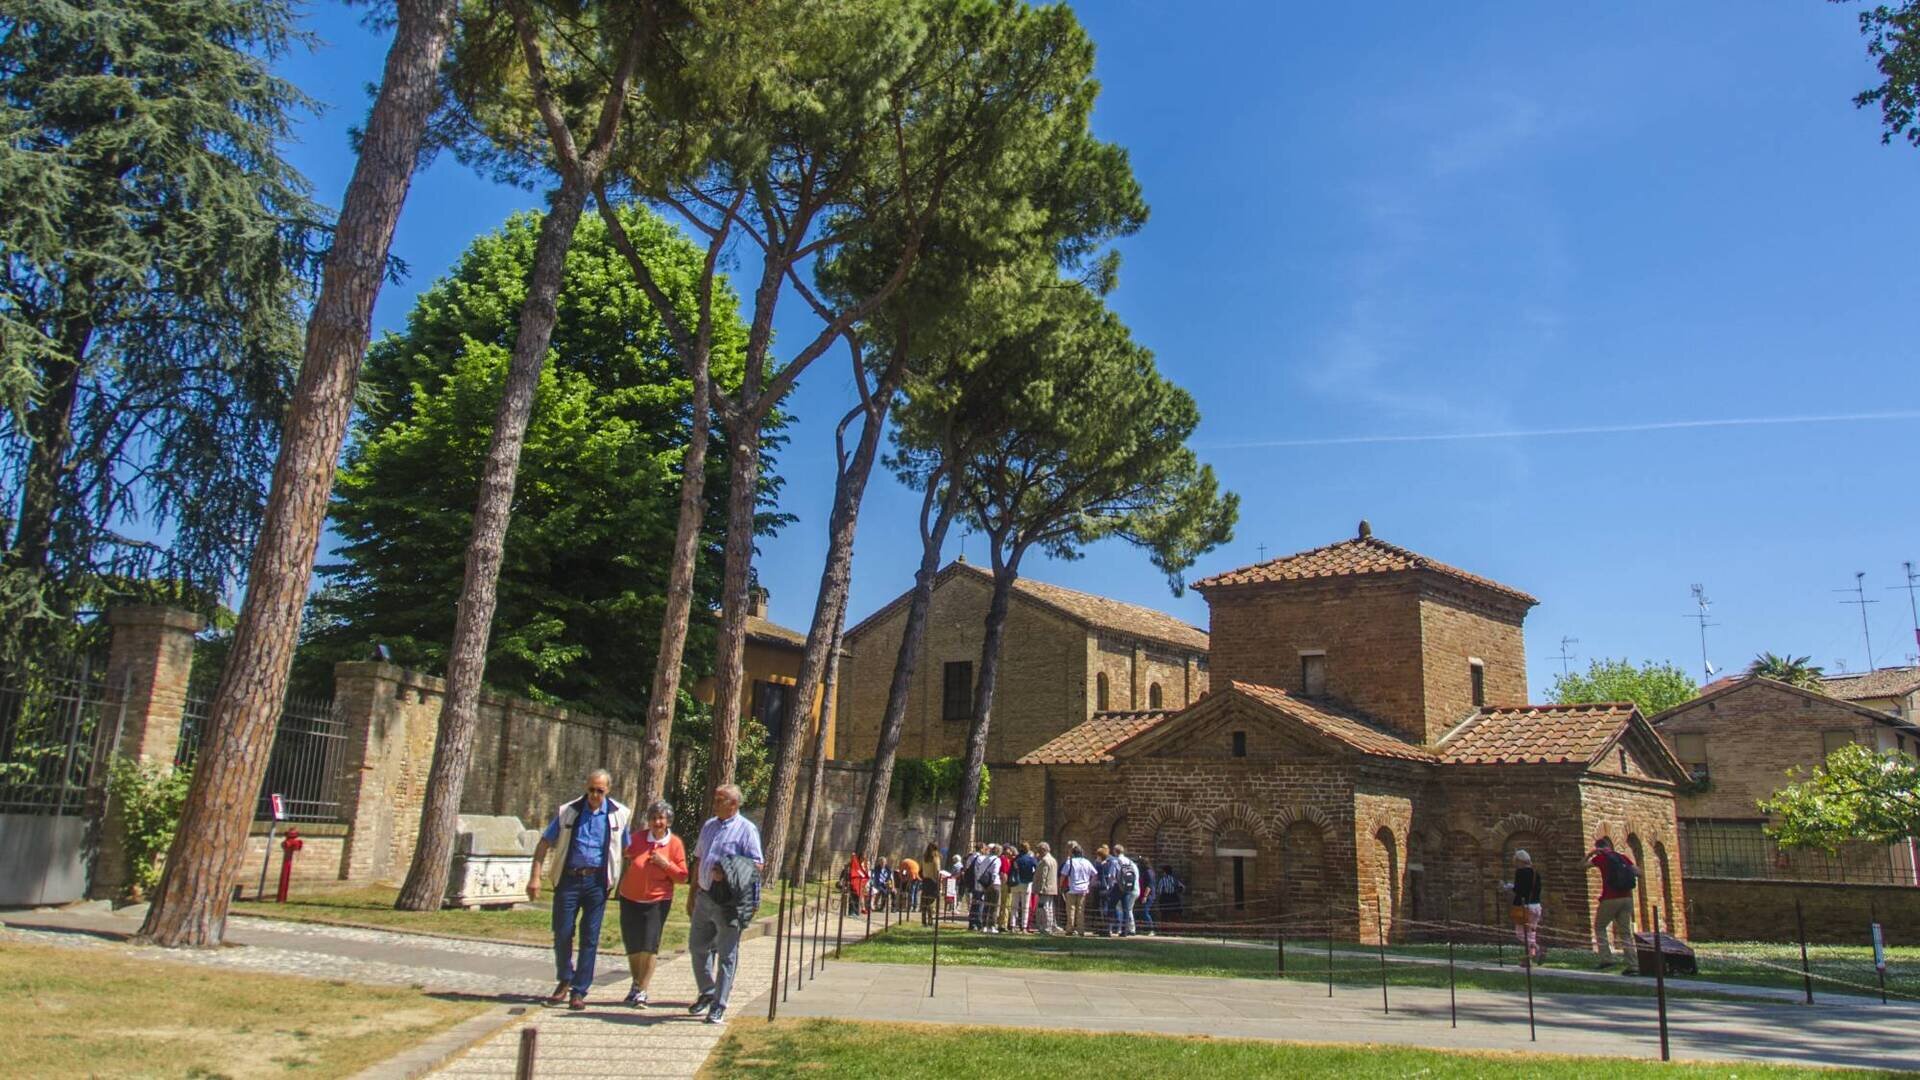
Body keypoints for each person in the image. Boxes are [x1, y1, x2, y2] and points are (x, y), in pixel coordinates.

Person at [528, 768, 631, 1010]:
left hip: (597, 882)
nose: (595, 795)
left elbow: (627, 851)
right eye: (591, 790)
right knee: (562, 932)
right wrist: (535, 877)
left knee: (590, 937)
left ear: (608, 791)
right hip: (569, 880)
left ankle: (580, 990)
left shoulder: (619, 815)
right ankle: (565, 978)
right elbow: (545, 843)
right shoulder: (569, 811)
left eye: (600, 791)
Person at [687, 783, 764, 1026]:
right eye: (716, 798)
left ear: (734, 804)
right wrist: (692, 893)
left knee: (727, 955)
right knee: (697, 947)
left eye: (720, 799)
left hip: (729, 902)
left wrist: (728, 870)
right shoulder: (709, 826)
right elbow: (699, 858)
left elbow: (757, 864)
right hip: (705, 895)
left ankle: (719, 1005)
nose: (715, 802)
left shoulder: (746, 830)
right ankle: (707, 990)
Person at [616, 799, 687, 1008]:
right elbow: (622, 851)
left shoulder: (674, 844)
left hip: (657, 900)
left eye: (661, 818)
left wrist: (665, 864)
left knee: (649, 944)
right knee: (633, 944)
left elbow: (683, 876)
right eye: (654, 818)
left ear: (668, 821)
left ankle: (642, 990)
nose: (657, 822)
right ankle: (636, 983)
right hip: (630, 898)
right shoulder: (637, 838)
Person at [1588, 836, 1639, 972]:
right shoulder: (1622, 857)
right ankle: (1633, 964)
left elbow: (1580, 866)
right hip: (1627, 898)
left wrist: (1591, 854)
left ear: (1598, 848)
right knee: (1626, 932)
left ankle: (1607, 959)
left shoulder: (1601, 859)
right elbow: (1638, 872)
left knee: (1599, 927)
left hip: (1610, 898)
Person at [1504, 848, 1544, 966]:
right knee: (1531, 933)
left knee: (1521, 934)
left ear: (1520, 861)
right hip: (1536, 906)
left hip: (1524, 907)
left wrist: (1509, 887)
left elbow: (1518, 890)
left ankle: (1536, 948)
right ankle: (1528, 959)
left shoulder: (1520, 872)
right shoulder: (1536, 873)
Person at [1061, 842, 1097, 935]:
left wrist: (1060, 885)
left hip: (1072, 888)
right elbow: (1095, 874)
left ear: (1073, 853)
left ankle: (1070, 929)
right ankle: (1081, 930)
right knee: (1081, 910)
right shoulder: (1087, 862)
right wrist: (1089, 884)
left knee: (1070, 910)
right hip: (1083, 889)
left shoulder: (1070, 862)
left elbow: (1063, 875)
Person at [1108, 844, 1138, 937]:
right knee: (1126, 909)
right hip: (1127, 887)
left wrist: (1110, 885)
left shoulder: (1115, 861)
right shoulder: (1129, 861)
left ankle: (1108, 929)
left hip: (1117, 887)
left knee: (1111, 907)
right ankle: (1125, 931)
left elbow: (1112, 875)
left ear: (1115, 851)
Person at [1007, 842, 1037, 933]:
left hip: (1015, 883)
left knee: (1014, 905)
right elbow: (1036, 869)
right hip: (1027, 883)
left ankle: (1012, 925)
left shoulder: (1016, 859)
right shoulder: (1031, 859)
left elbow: (1010, 871)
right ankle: (1024, 926)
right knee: (1025, 906)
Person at [976, 843, 1003, 933]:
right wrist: (992, 884)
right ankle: (991, 926)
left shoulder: (986, 858)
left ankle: (984, 926)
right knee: (994, 906)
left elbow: (980, 871)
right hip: (994, 884)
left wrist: (985, 885)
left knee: (986, 905)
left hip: (985, 884)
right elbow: (995, 873)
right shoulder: (997, 860)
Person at [995, 844, 1015, 930]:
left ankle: (1003, 922)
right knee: (1005, 903)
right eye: (1009, 850)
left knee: (1006, 904)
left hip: (1006, 883)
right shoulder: (1003, 859)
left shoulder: (1008, 859)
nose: (1011, 851)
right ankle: (1003, 924)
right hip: (1005, 883)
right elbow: (1004, 872)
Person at [844, 850, 870, 915]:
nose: (863, 859)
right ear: (859, 857)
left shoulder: (864, 865)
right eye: (862, 858)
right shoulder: (854, 864)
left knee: (858, 897)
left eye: (864, 858)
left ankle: (857, 911)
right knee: (853, 896)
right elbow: (847, 870)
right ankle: (851, 911)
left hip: (860, 883)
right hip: (853, 882)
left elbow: (865, 874)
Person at [1136, 859, 1157, 936]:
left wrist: (1145, 896)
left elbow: (1149, 885)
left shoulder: (1149, 872)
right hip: (1144, 895)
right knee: (1142, 912)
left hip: (1149, 895)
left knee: (1145, 912)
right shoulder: (1145, 872)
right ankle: (1144, 928)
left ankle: (1151, 929)